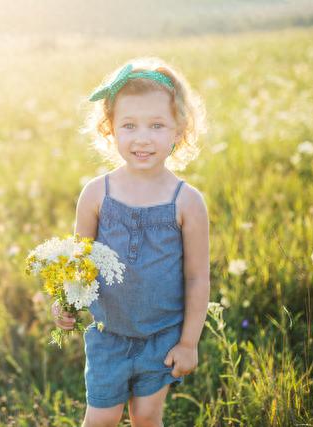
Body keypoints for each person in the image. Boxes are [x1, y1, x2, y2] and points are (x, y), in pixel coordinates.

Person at [51, 56, 210, 427]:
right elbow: (80, 263)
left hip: (161, 338)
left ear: (178, 130)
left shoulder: (187, 202)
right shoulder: (96, 195)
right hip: (109, 336)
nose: (142, 138)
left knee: (147, 418)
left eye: (157, 125)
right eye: (129, 125)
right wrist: (66, 301)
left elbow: (196, 278)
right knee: (100, 419)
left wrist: (188, 343)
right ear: (110, 129)